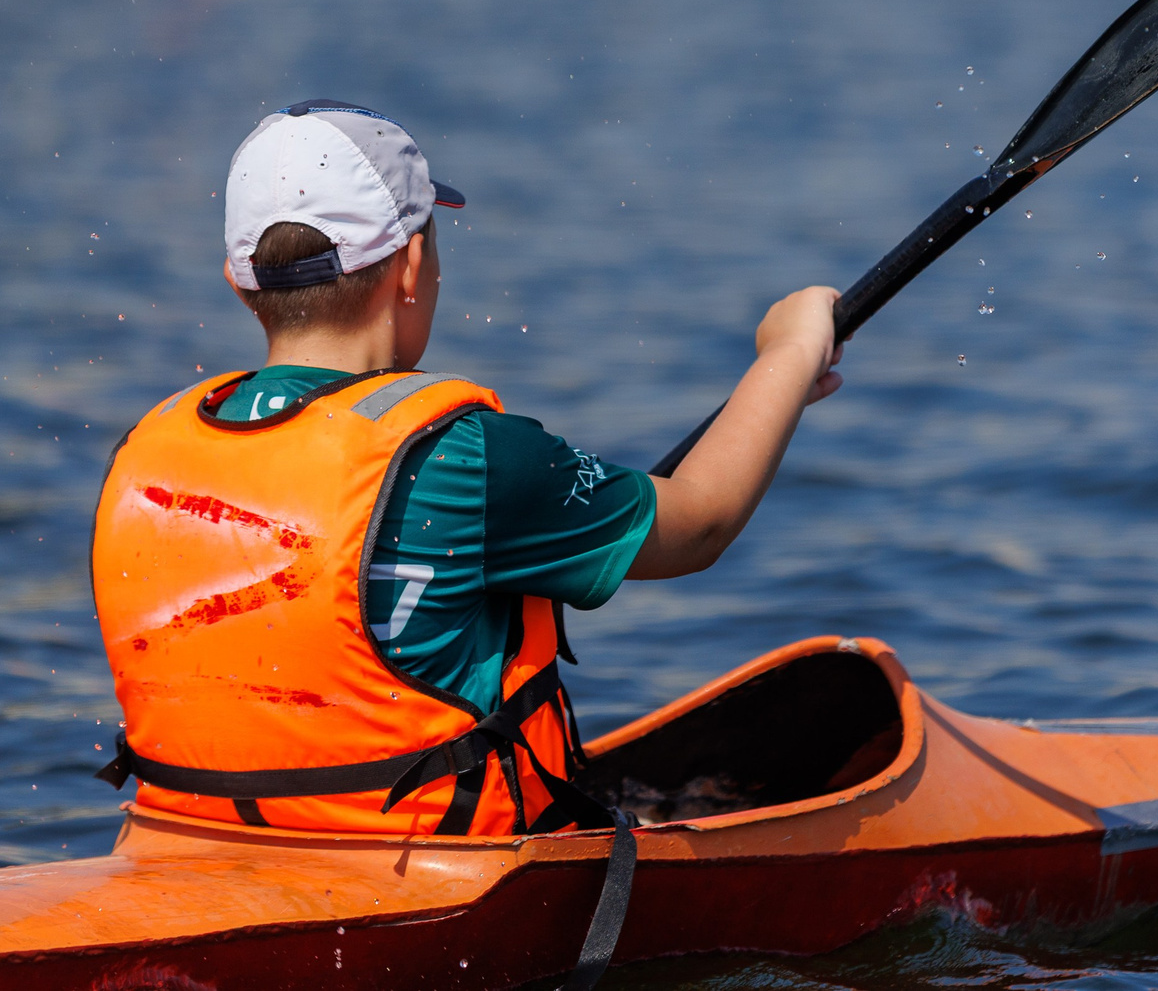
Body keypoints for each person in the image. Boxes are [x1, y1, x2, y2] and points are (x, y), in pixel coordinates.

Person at [90, 101, 841, 837]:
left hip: (185, 847)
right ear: (412, 264)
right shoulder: (465, 457)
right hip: (425, 880)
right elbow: (702, 519)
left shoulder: (143, 451)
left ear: (238, 281)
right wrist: (788, 353)